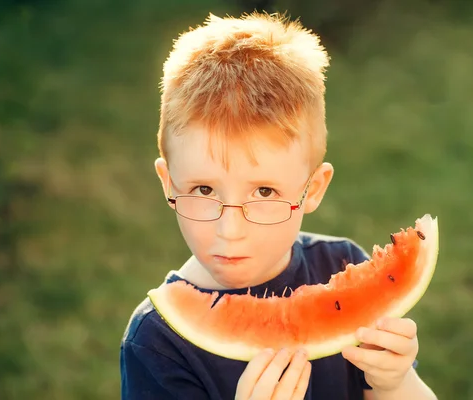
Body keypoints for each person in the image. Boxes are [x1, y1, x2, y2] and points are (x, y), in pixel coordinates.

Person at [120, 12, 438, 400]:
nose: (230, 230)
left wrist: (396, 382)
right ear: (168, 183)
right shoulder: (157, 342)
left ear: (313, 189)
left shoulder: (339, 264)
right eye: (204, 190)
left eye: (265, 192)